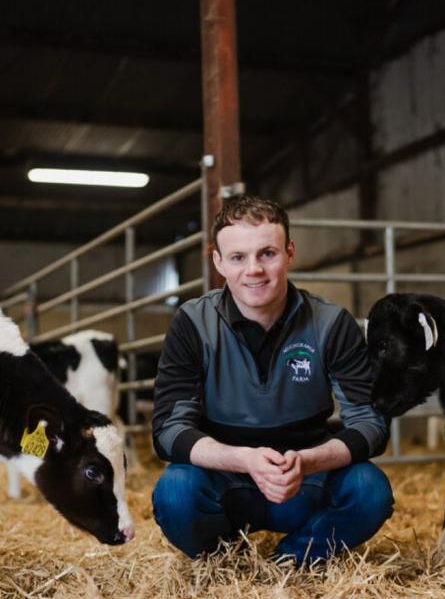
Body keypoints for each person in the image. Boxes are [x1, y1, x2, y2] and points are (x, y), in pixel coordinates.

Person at [151, 195, 392, 565]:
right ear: (218, 262)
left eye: (267, 253)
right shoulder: (193, 323)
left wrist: (307, 462)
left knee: (370, 490)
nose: (254, 270)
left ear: (290, 252)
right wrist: (244, 460)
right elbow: (168, 430)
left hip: (305, 480)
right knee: (174, 491)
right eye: (238, 257)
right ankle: (226, 560)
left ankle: (295, 555)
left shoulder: (330, 323)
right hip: (225, 480)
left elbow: (372, 423)